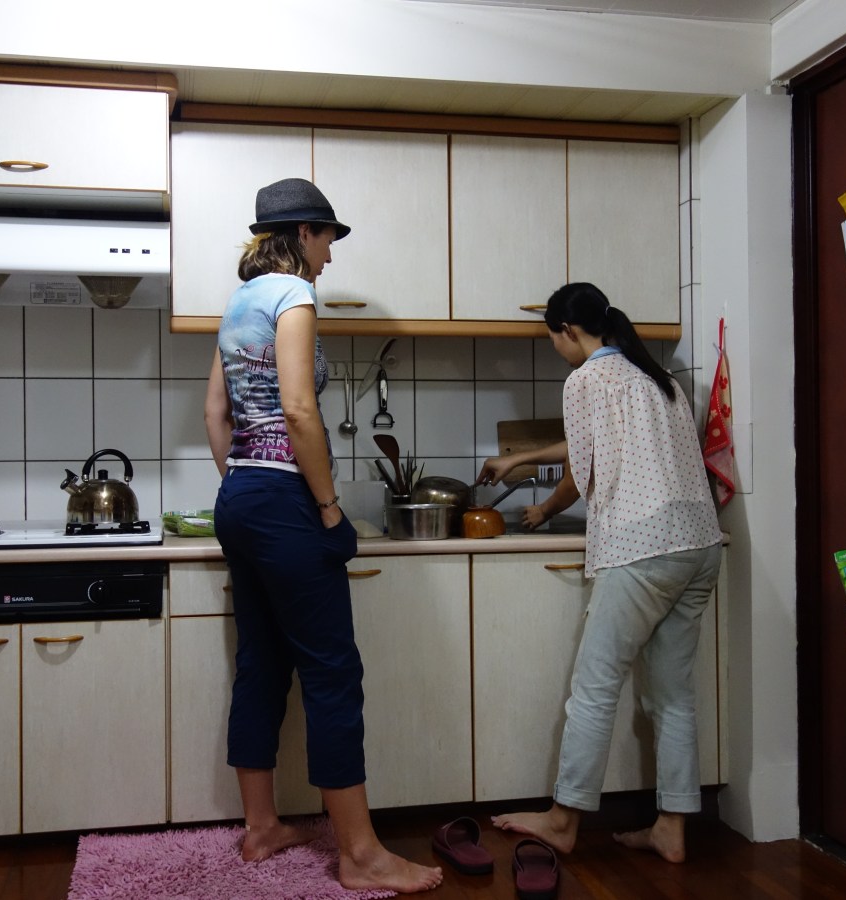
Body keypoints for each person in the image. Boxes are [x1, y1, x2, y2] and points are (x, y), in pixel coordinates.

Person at [203, 177, 442, 894]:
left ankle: (260, 827)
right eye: (329, 240)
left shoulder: (237, 303)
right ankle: (361, 855)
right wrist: (328, 507)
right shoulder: (293, 296)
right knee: (334, 675)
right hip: (284, 502)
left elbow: (216, 412)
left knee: (262, 664)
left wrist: (243, 479)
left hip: (241, 496)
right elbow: (302, 411)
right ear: (304, 234)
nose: (331, 257)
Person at [484, 281, 723, 865]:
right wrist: (522, 465)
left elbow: (581, 470)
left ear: (568, 332)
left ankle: (564, 820)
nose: (557, 351)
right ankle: (671, 826)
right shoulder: (655, 378)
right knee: (672, 695)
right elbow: (586, 452)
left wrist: (542, 504)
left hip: (643, 548)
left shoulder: (586, 379)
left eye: (553, 340)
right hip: (699, 543)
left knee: (593, 690)